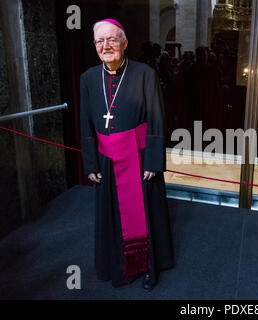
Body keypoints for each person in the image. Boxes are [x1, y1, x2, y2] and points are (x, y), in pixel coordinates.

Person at [79, 18, 174, 290]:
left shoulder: (145, 73)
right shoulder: (87, 78)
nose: (105, 45)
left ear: (124, 43)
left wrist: (154, 160)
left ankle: (147, 268)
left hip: (140, 157)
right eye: (100, 41)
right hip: (106, 161)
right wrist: (90, 162)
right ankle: (119, 267)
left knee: (144, 215)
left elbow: (157, 118)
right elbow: (85, 123)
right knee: (113, 216)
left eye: (112, 39)